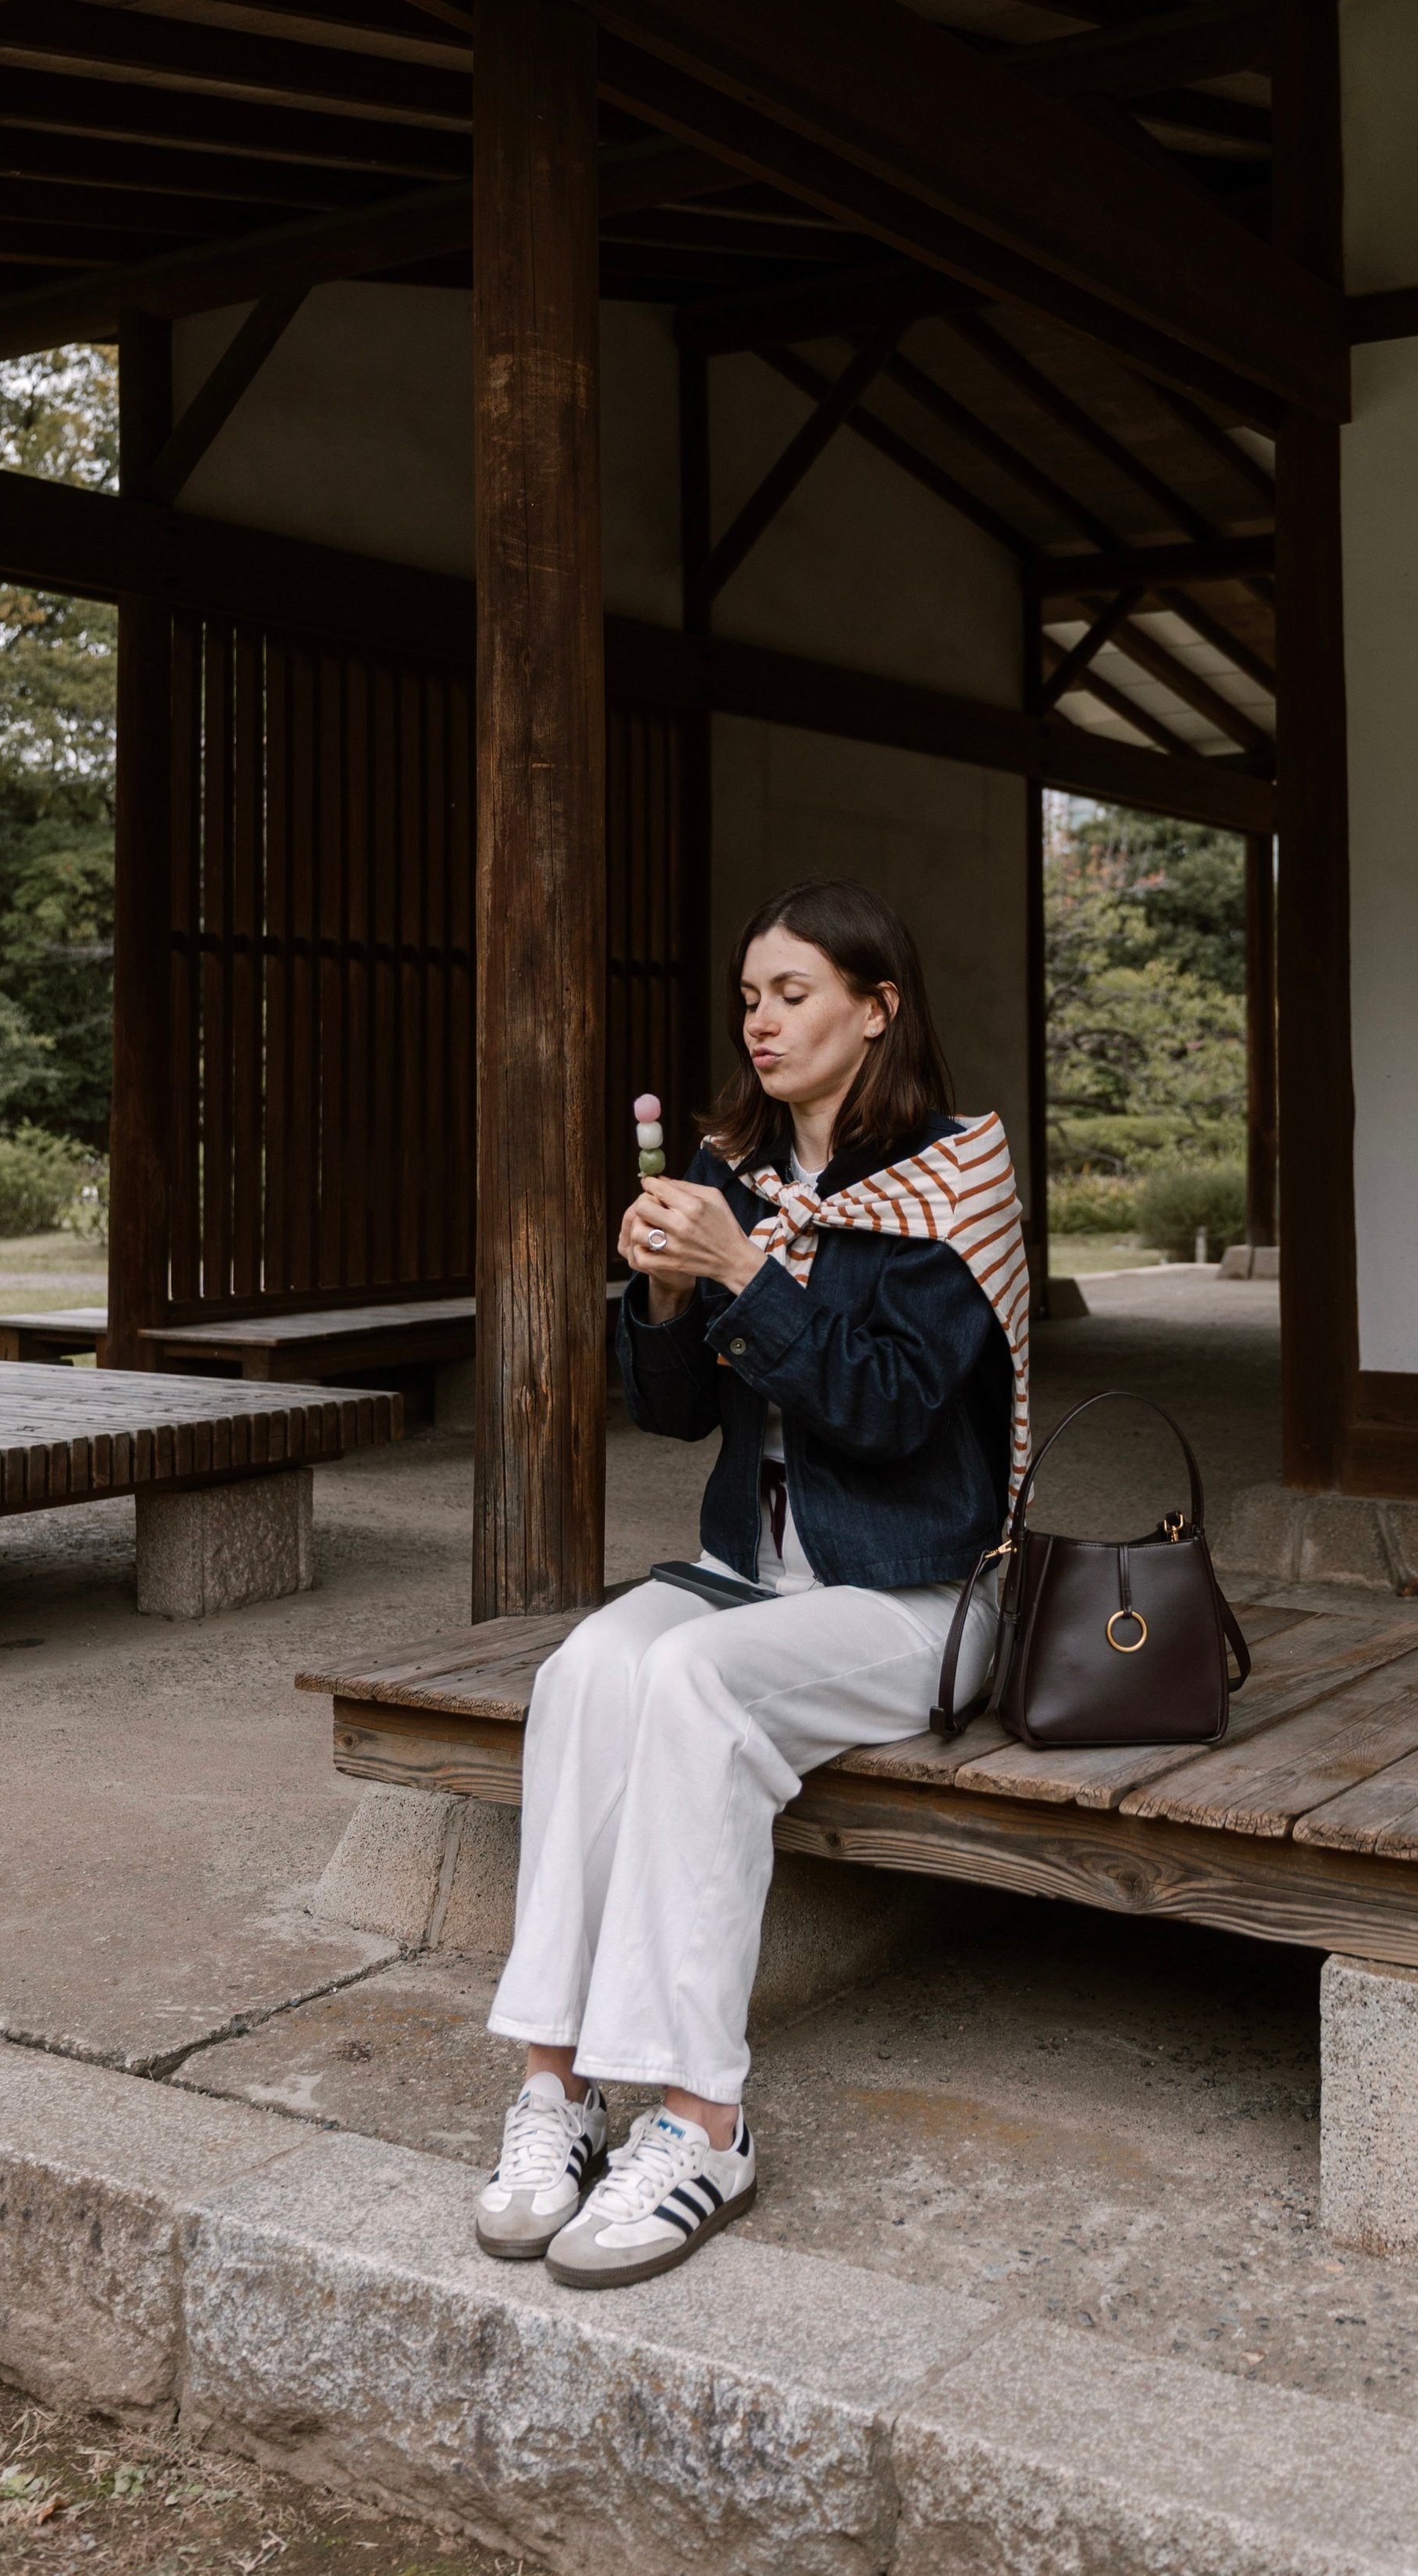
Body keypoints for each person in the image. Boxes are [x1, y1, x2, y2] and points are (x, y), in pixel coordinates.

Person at [476, 877, 1029, 2289]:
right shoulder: (735, 1168)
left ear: (877, 1008)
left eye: (793, 994)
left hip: (914, 1596)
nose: (762, 1021)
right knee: (586, 1669)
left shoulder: (956, 1175)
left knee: (691, 1680)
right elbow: (672, 1414)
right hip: (752, 1573)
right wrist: (666, 1296)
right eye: (749, 998)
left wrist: (747, 1275)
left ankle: (703, 2118)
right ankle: (557, 2092)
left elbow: (896, 1413)